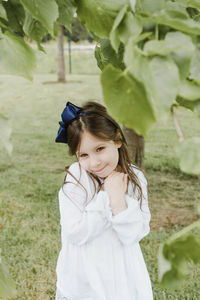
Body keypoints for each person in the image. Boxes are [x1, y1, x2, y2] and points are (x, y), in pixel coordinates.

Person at [55, 101, 153, 300]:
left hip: (123, 276)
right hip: (84, 277)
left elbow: (135, 233)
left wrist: (119, 203)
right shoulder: (76, 178)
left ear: (117, 139)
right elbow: (75, 232)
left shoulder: (135, 178)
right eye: (84, 154)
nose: (94, 162)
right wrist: (106, 197)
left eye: (100, 148)